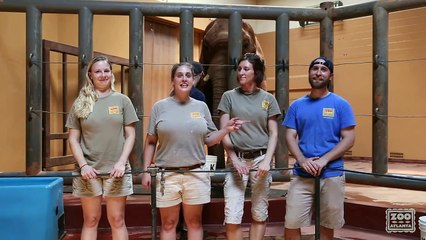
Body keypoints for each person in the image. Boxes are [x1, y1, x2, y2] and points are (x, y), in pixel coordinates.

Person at [141, 62, 244, 240]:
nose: (184, 79)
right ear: (173, 80)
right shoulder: (160, 107)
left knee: (194, 223)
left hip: (196, 173)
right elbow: (151, 141)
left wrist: (226, 129)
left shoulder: (201, 107)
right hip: (167, 174)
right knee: (168, 224)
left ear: (193, 79)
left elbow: (210, 139)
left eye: (188, 75)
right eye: (179, 75)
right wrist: (145, 171)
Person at [282, 56, 356, 240]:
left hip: (331, 173)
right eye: (315, 68)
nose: (318, 72)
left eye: (323, 70)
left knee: (326, 226)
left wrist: (324, 159)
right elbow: (290, 135)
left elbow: (349, 139)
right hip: (302, 174)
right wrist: (302, 160)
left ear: (330, 75)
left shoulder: (341, 104)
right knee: (291, 223)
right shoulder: (297, 105)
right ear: (309, 72)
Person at [66, 55, 139, 240]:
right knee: (90, 219)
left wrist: (122, 163)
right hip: (88, 170)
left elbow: (131, 135)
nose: (103, 74)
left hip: (117, 170)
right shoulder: (80, 103)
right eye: (98, 71)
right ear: (90, 75)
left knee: (117, 219)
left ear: (111, 74)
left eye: (106, 71)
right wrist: (83, 166)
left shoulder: (122, 100)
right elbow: (73, 139)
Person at [218, 53, 281, 240]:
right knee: (232, 214)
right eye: (239, 69)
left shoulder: (268, 99)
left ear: (256, 72)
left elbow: (274, 133)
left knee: (260, 212)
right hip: (236, 158)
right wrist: (235, 159)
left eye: (246, 69)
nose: (241, 72)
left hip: (261, 158)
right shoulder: (228, 97)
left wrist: (267, 161)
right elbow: (223, 132)